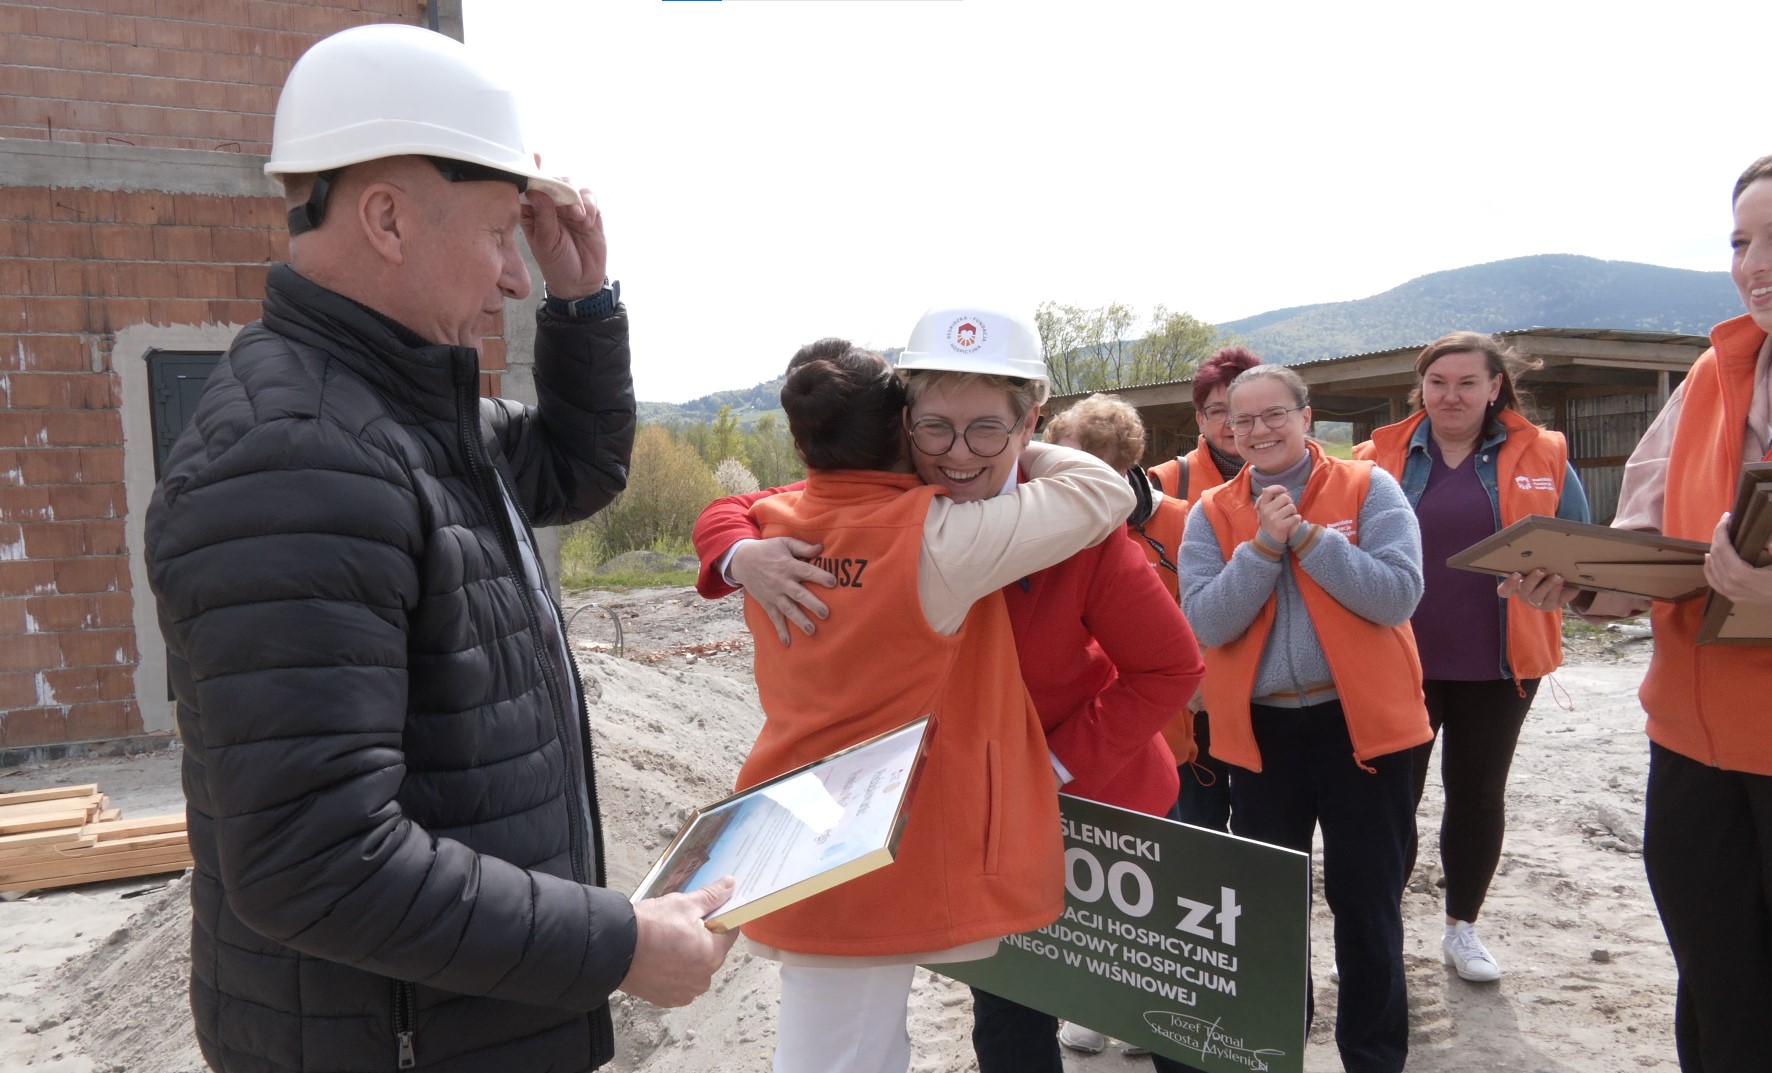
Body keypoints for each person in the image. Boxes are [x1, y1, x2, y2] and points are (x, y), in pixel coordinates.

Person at [143, 25, 733, 1073]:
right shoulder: (296, 462)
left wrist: (583, 299)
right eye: (503, 232)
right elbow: (314, 862)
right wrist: (619, 944)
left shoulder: (406, 419)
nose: (515, 276)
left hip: (462, 1026)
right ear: (385, 218)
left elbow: (574, 466)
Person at [693, 306, 1203, 1073]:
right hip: (963, 823)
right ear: (903, 427)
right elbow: (752, 502)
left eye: (987, 430)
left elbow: (1170, 667)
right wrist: (737, 552)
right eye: (936, 427)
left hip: (1097, 804)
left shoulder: (1080, 536)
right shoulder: (894, 513)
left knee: (1157, 1017)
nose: (959, 454)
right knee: (1009, 1021)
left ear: (1030, 421)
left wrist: (1056, 767)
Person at [1526, 154, 1772, 1073]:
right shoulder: (1713, 374)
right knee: (1716, 994)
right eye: (1743, 242)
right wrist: (1584, 583)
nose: (1755, 265)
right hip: (1692, 748)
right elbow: (1648, 536)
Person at [1180, 364, 1428, 1073]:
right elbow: (1207, 619)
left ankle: (1373, 1058)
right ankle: (1274, 1048)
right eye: (1240, 418)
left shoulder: (1369, 488)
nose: (1256, 429)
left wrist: (1312, 541)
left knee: (1367, 905)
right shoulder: (1211, 513)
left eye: (1273, 414)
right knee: (1271, 913)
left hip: (1363, 731)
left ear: (1306, 416)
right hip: (1262, 737)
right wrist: (1262, 548)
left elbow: (1397, 595)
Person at [1353, 332, 1590, 983]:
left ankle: (1462, 927)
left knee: (1478, 793)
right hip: (1397, 661)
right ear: (1420, 389)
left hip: (1502, 663)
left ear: (1495, 386)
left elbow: (1581, 553)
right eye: (1437, 383)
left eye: (1465, 382)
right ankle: (1383, 930)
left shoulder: (1545, 452)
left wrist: (1561, 582)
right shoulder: (1379, 456)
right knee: (1389, 798)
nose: (1449, 395)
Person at [1147, 346, 1264, 833]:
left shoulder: (1297, 482)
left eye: (1246, 411)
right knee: (1202, 821)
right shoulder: (1166, 483)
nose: (1233, 424)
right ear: (1200, 416)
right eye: (1219, 411)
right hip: (1191, 691)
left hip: (1265, 680)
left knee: (1265, 820)